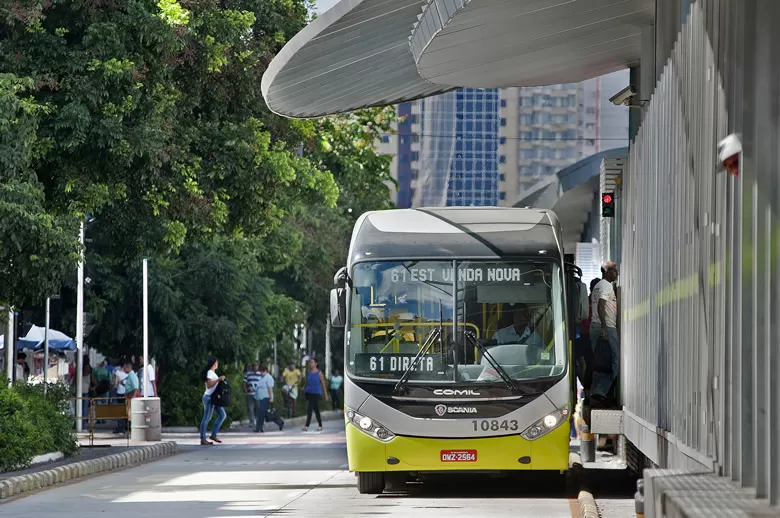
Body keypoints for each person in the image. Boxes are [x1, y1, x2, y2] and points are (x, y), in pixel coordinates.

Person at [589, 262, 620, 401]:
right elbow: (601, 306)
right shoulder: (606, 285)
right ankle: (600, 392)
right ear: (606, 271)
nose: (616, 273)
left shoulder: (597, 286)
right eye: (614, 270)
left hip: (595, 326)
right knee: (614, 362)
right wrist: (604, 328)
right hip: (606, 327)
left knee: (599, 363)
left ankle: (594, 392)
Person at [200, 357, 226, 445]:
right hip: (208, 398)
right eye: (217, 363)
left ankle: (213, 434)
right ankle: (203, 438)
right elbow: (209, 385)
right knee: (206, 417)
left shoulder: (212, 373)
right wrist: (218, 379)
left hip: (214, 398)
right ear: (214, 364)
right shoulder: (210, 373)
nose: (217, 364)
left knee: (222, 415)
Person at [254, 366, 284, 433]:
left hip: (266, 397)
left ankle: (259, 427)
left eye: (262, 372)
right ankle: (279, 422)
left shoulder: (269, 378)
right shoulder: (262, 378)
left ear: (265, 371)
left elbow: (270, 388)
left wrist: (271, 398)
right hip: (261, 398)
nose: (261, 373)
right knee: (265, 414)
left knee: (262, 413)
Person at [302, 359, 328, 432]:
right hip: (309, 392)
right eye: (310, 363)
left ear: (316, 363)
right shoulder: (309, 373)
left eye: (312, 362)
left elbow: (323, 384)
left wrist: (325, 394)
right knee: (316, 409)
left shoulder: (319, 373)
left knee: (310, 408)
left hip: (316, 393)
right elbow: (307, 382)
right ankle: (320, 425)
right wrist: (304, 388)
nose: (311, 364)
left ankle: (307, 426)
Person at [243, 363, 262, 429]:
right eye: (254, 365)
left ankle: (258, 421)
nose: (255, 367)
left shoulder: (260, 374)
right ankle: (251, 422)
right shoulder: (248, 373)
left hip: (258, 394)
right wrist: (245, 389)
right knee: (250, 408)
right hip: (250, 393)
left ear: (258, 366)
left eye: (256, 365)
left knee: (258, 408)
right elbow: (244, 382)